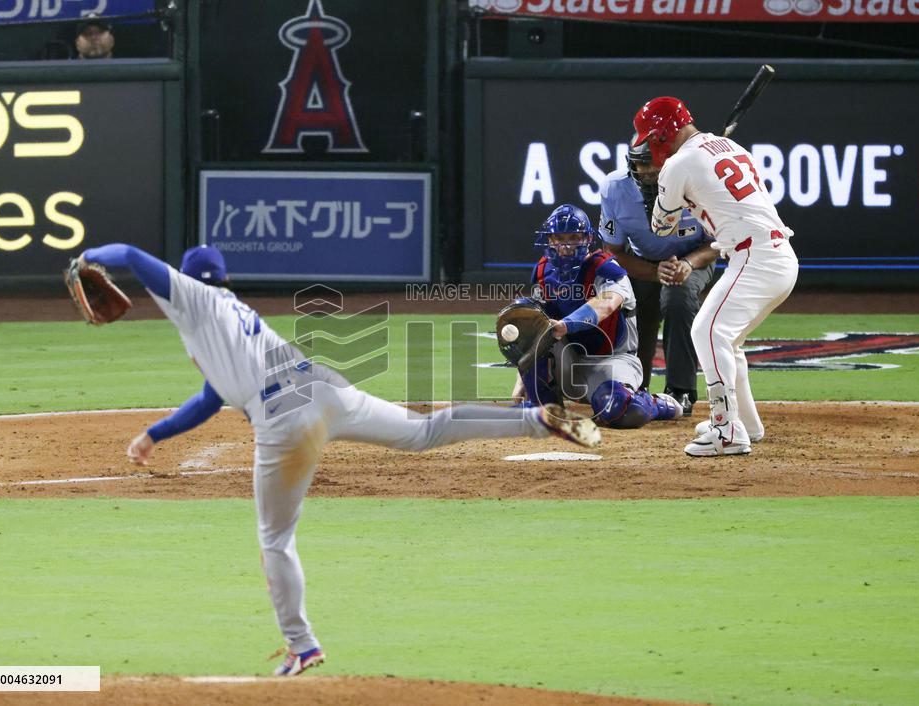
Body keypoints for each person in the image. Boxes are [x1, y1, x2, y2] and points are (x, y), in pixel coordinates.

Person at [77, 242, 600, 676]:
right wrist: (154, 433)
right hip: (323, 387)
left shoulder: (192, 300)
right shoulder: (232, 316)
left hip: (284, 419)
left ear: (188, 280)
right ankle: (536, 420)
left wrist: (87, 258)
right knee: (423, 431)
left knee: (274, 539)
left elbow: (128, 253)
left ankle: (301, 644)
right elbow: (211, 397)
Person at [632, 96, 799, 456]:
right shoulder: (731, 147)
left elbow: (661, 228)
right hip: (773, 255)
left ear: (663, 134)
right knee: (725, 338)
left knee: (707, 331)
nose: (648, 146)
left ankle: (726, 431)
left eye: (650, 138)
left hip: (757, 257)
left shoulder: (679, 164)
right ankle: (746, 425)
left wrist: (668, 189)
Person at [514, 204, 684, 428]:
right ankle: (544, 406)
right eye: (559, 237)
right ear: (550, 240)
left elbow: (605, 304)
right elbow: (534, 334)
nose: (565, 245)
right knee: (523, 314)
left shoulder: (607, 268)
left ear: (586, 239)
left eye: (574, 237)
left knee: (623, 411)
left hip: (611, 361)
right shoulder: (542, 271)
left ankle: (656, 403)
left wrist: (566, 325)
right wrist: (521, 384)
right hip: (569, 361)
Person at [599, 137, 718, 415]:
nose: (648, 169)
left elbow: (717, 240)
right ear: (632, 164)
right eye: (641, 163)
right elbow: (611, 251)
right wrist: (654, 271)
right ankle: (633, 386)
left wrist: (687, 264)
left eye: (654, 161)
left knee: (678, 297)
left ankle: (680, 390)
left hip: (693, 257)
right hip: (641, 259)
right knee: (633, 307)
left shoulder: (699, 182)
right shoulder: (614, 188)